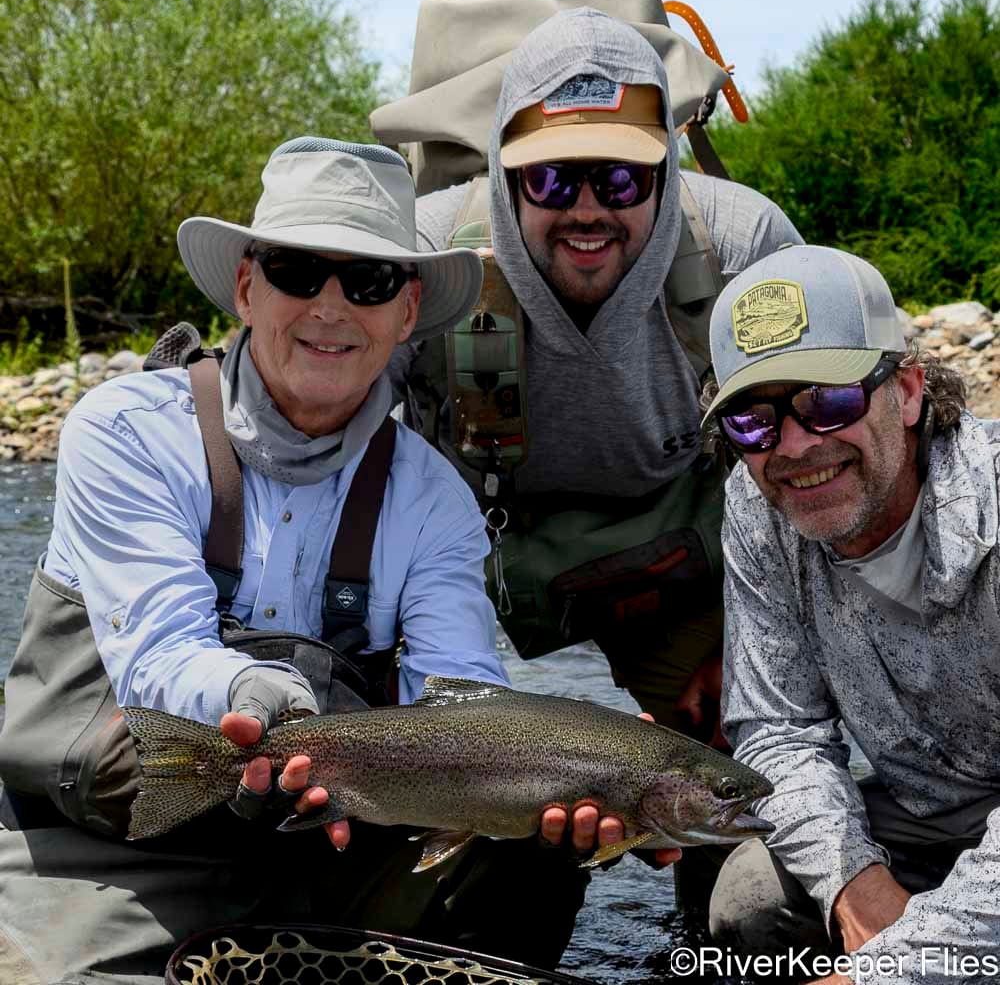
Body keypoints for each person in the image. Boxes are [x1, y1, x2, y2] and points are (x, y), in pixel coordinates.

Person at [0, 137, 649, 983]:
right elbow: (155, 657)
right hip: (104, 851)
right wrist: (258, 699)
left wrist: (589, 765)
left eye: (370, 282)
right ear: (245, 287)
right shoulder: (125, 433)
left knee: (533, 847)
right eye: (299, 272)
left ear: (407, 312)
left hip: (335, 841)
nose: (332, 307)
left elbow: (455, 694)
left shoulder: (434, 499)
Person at [393, 7, 803, 743]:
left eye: (620, 179)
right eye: (550, 180)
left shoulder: (745, 253)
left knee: (745, 783)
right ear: (503, 171)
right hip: (458, 570)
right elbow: (319, 440)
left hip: (691, 571)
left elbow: (823, 465)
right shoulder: (423, 261)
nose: (587, 211)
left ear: (666, 172)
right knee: (432, 791)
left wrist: (763, 645)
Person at [703, 244, 997, 984]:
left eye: (826, 401)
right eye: (753, 422)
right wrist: (858, 890)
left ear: (905, 390)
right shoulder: (756, 504)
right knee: (747, 899)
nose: (795, 448)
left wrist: (890, 967)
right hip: (922, 818)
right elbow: (777, 728)